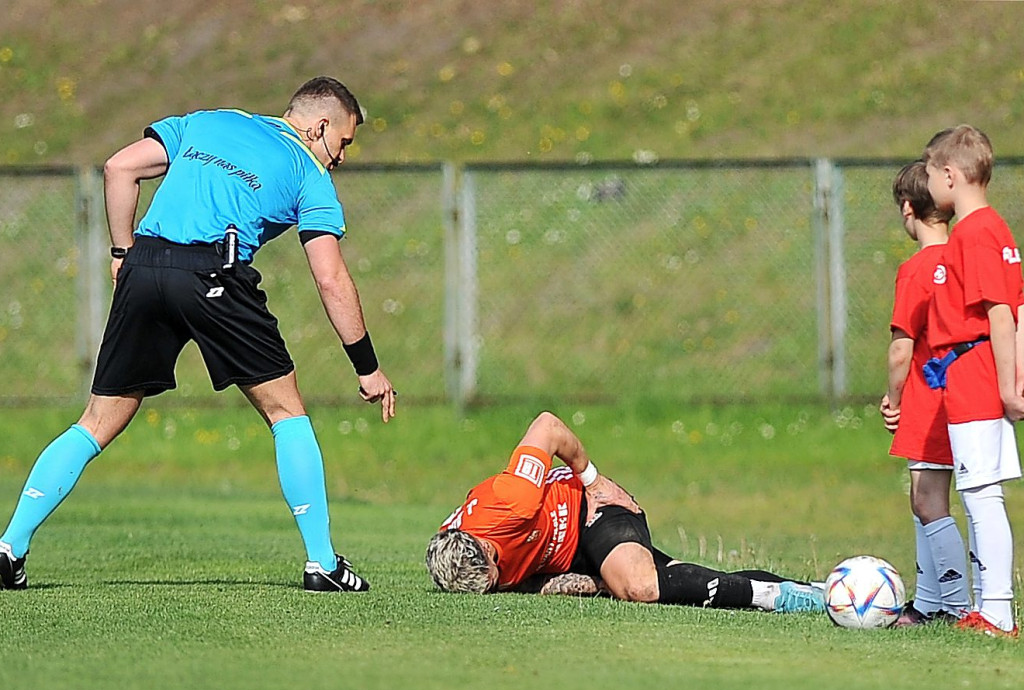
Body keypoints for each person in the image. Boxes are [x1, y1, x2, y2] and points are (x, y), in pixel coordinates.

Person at [0, 76, 395, 593]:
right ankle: (322, 563)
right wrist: (367, 368)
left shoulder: (210, 121)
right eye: (343, 142)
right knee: (285, 411)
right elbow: (330, 277)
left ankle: (9, 548)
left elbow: (119, 168)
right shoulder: (309, 174)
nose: (341, 157)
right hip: (215, 273)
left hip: (145, 266)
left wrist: (122, 254)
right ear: (320, 126)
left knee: (96, 421)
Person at [425, 411, 824, 613]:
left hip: (589, 513)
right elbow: (517, 578)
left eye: (495, 579)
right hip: (567, 558)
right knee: (681, 579)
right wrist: (573, 583)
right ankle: (817, 591)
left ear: (487, 547)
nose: (498, 586)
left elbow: (547, 425)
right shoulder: (452, 556)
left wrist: (594, 481)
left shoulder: (512, 499)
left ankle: (777, 596)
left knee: (640, 587)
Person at [921, 125, 1024, 637]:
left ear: (949, 174)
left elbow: (1002, 312)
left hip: (975, 373)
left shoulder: (974, 232)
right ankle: (991, 607)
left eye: (929, 172)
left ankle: (998, 612)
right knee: (980, 492)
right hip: (976, 369)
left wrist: (1009, 385)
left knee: (981, 494)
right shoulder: (993, 228)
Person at [879, 161, 970, 626]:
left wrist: (893, 399)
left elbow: (901, 349)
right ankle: (929, 603)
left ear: (909, 209)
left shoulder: (916, 270)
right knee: (926, 495)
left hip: (928, 398)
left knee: (927, 500)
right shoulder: (963, 259)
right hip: (966, 396)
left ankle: (954, 604)